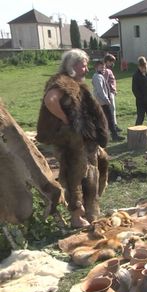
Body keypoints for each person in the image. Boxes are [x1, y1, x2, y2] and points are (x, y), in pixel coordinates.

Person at [36, 49, 109, 228]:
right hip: (69, 142)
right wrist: (66, 120)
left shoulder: (77, 84)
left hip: (85, 140)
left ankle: (91, 213)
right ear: (72, 65)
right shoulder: (62, 82)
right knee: (74, 176)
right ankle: (77, 217)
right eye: (83, 65)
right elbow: (50, 100)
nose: (86, 68)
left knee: (93, 171)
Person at [92, 60, 124, 142]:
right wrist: (107, 99)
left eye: (104, 67)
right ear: (96, 68)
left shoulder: (100, 76)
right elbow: (100, 91)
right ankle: (113, 136)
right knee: (108, 119)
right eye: (101, 67)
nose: (103, 69)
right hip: (102, 102)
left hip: (103, 101)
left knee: (106, 119)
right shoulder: (97, 77)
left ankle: (112, 135)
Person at [103, 53, 121, 132]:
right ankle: (113, 126)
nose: (112, 63)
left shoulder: (108, 70)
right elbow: (106, 82)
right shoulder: (106, 70)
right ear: (107, 61)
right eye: (111, 62)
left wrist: (114, 90)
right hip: (108, 93)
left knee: (112, 109)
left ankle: (114, 125)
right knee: (111, 109)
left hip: (111, 92)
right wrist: (110, 92)